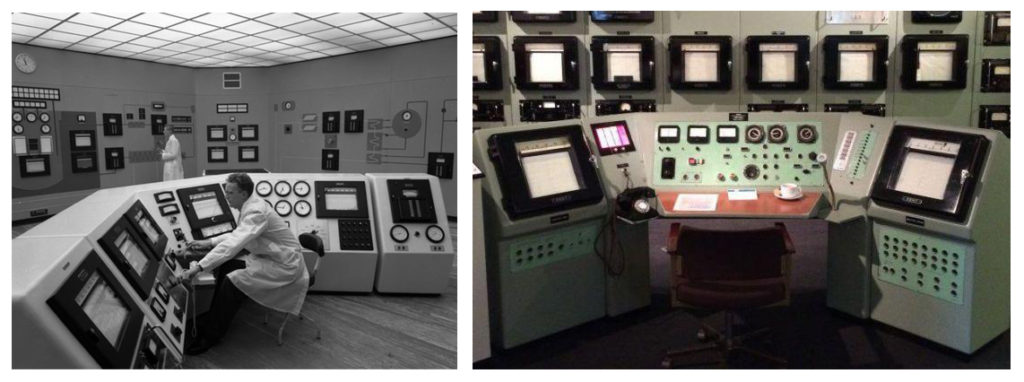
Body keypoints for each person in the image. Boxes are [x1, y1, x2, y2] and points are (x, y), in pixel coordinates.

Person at [177, 173, 309, 355]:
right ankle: (211, 317)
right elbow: (238, 233)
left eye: (230, 193)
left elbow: (234, 244)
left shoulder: (256, 211)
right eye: (226, 192)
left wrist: (198, 267)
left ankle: (211, 336)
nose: (226, 196)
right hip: (272, 257)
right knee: (228, 266)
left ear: (244, 194)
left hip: (285, 266)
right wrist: (209, 243)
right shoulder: (250, 206)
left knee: (231, 283)